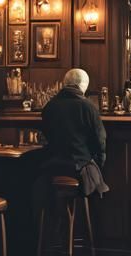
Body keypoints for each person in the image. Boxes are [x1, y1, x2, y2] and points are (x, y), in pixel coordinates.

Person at [39, 68, 108, 197]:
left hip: (52, 167)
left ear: (64, 83)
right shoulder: (88, 107)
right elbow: (100, 142)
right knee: (96, 183)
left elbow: (44, 138)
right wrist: (99, 164)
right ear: (83, 86)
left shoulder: (49, 106)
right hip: (79, 169)